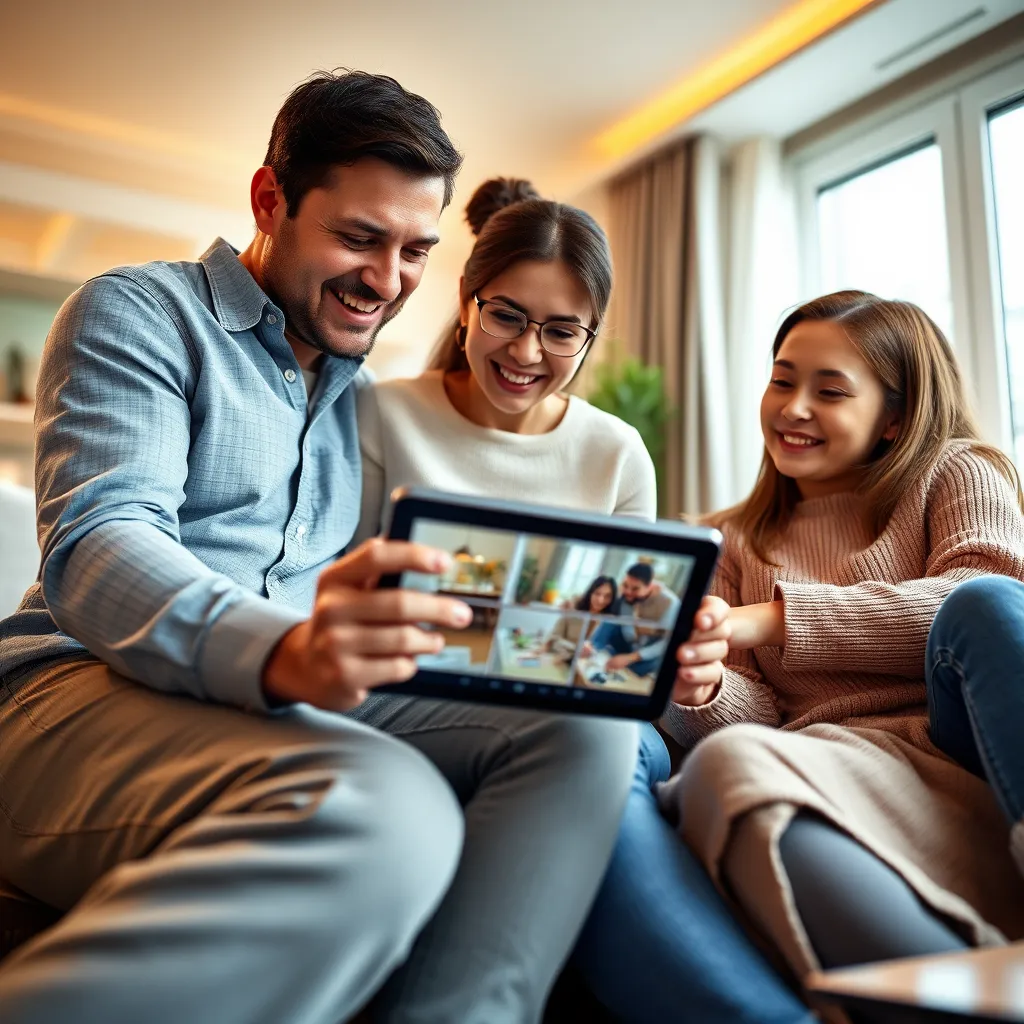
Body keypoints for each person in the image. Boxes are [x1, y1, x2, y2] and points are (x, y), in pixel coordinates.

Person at [0, 74, 628, 1024]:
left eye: (415, 250)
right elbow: (99, 545)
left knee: (585, 728)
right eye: (358, 238)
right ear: (269, 201)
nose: (387, 281)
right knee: (386, 807)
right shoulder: (140, 313)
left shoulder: (358, 394)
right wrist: (286, 650)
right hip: (75, 688)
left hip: (278, 707)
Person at [356, 178, 810, 1024]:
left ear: (589, 334)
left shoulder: (616, 451)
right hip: (405, 702)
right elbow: (342, 590)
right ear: (466, 303)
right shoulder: (379, 414)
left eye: (562, 330)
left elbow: (633, 639)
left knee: (623, 740)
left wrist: (688, 670)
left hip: (576, 710)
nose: (528, 351)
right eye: (508, 317)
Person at [653, 291, 1024, 1014]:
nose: (792, 408)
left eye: (829, 391)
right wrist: (703, 691)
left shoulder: (955, 470)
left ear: (893, 419)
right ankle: (954, 994)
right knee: (719, 768)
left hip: (967, 738)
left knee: (980, 604)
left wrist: (772, 619)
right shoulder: (733, 540)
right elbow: (756, 716)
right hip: (832, 760)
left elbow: (986, 604)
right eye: (782, 379)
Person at [926, 575, 1024, 878]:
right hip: (830, 745)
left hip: (965, 704)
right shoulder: (772, 564)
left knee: (981, 601)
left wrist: (781, 620)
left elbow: (989, 585)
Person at [587, 563, 680, 678]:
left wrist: (630, 657)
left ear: (650, 586)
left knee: (656, 662)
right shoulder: (628, 596)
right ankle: (592, 649)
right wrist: (633, 638)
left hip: (649, 651)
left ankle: (628, 666)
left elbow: (667, 643)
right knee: (610, 621)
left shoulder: (671, 603)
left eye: (635, 588)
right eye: (626, 585)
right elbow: (627, 627)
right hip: (632, 643)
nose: (628, 592)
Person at [546, 575, 617, 658]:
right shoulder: (573, 610)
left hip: (586, 667)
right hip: (561, 659)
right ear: (591, 592)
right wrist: (576, 649)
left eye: (607, 596)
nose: (601, 600)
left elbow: (605, 650)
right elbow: (553, 638)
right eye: (597, 593)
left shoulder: (608, 621)